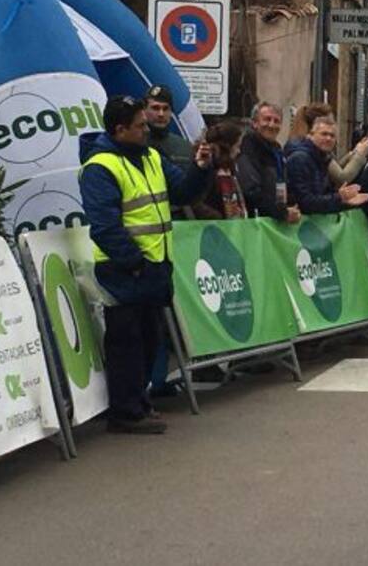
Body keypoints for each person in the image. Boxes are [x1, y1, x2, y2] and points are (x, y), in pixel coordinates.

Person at [79, 96, 213, 434]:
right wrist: (134, 263)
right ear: (119, 129)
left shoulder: (151, 156)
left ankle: (140, 404)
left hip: (155, 265)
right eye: (139, 126)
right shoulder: (100, 167)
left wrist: (199, 168)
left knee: (150, 340)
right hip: (124, 269)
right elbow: (105, 225)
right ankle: (125, 412)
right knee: (127, 343)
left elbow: (181, 192)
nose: (146, 130)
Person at [285, 115, 368, 215]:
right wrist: (339, 198)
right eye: (324, 134)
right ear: (311, 135)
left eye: (332, 135)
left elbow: (323, 196)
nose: (328, 138)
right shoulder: (300, 159)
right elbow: (305, 202)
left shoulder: (322, 158)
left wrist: (344, 201)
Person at [238, 102, 301, 225]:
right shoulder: (248, 148)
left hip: (276, 219)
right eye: (267, 119)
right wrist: (281, 212)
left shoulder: (277, 150)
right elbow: (251, 190)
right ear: (255, 123)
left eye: (277, 121)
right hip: (256, 221)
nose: (272, 125)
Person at [284, 103, 368, 186]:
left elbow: (333, 169)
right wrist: (359, 155)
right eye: (324, 133)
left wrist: (353, 153)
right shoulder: (307, 150)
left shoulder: (304, 145)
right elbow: (341, 178)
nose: (328, 138)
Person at [189, 121, 248, 221]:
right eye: (237, 146)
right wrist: (217, 217)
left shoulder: (229, 171)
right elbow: (195, 201)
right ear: (228, 147)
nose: (239, 151)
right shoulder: (205, 170)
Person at [144, 84, 193, 168]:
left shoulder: (185, 148)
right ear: (144, 110)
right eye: (155, 108)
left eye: (165, 109)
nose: (161, 114)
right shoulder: (133, 144)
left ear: (171, 112)